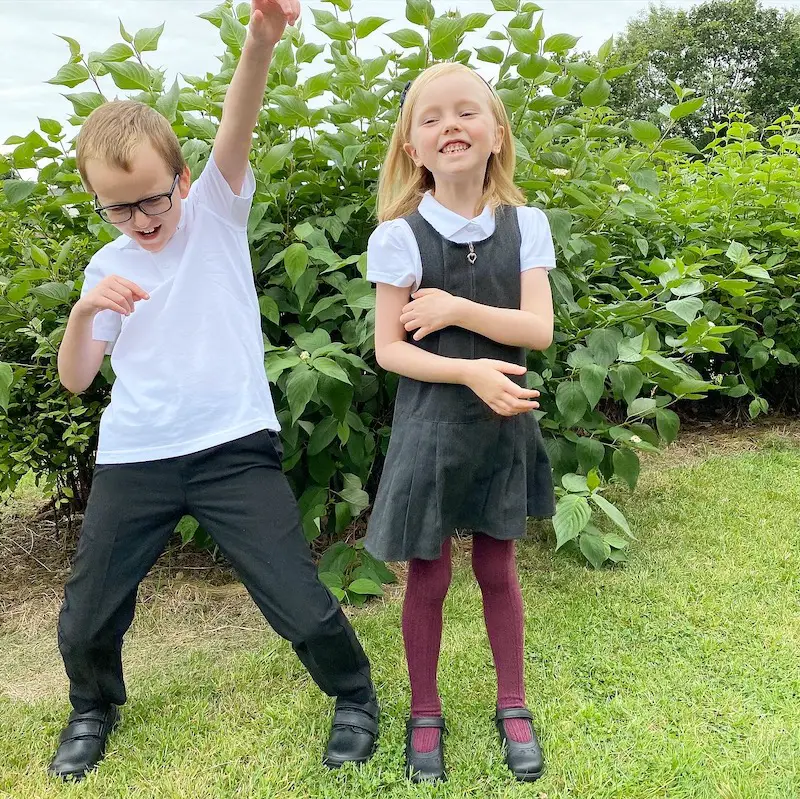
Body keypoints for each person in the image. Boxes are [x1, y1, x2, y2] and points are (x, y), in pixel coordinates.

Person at [49, 0, 378, 781]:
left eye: (153, 197)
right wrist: (83, 310)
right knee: (89, 607)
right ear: (97, 199)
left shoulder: (216, 216)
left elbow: (239, 117)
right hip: (138, 454)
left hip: (232, 446)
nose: (141, 218)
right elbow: (77, 378)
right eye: (117, 207)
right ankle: (93, 706)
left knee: (295, 592)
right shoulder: (106, 269)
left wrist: (260, 40)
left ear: (183, 179)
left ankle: (356, 696)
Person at [365, 62, 557, 783]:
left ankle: (513, 702)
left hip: (502, 430)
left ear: (497, 134)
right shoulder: (399, 238)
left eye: (467, 112)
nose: (451, 125)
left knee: (498, 566)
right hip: (431, 431)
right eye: (431, 117)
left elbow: (536, 330)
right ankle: (424, 709)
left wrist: (453, 310)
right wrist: (470, 368)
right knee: (429, 571)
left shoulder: (527, 225)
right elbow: (390, 350)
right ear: (412, 147)